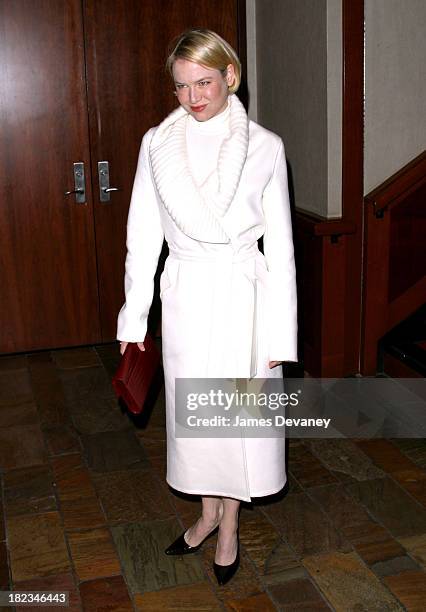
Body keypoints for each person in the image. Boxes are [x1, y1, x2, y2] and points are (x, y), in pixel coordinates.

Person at [117, 28, 298, 585]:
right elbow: (143, 235)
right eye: (181, 86)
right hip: (188, 296)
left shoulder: (265, 145)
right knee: (197, 420)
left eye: (205, 82)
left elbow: (283, 251)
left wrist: (279, 337)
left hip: (245, 298)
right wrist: (133, 318)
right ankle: (205, 511)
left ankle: (228, 526)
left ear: (230, 77)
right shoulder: (156, 144)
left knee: (236, 420)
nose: (194, 97)